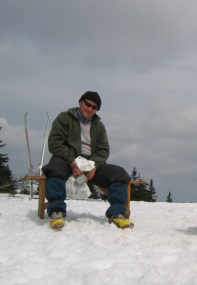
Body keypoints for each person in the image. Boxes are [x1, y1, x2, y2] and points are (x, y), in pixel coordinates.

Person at [42, 91, 133, 229]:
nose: (89, 109)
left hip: (90, 164)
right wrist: (72, 162)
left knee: (119, 173)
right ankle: (57, 210)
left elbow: (103, 149)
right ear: (80, 102)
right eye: (87, 104)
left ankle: (117, 213)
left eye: (94, 107)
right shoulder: (64, 118)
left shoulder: (98, 126)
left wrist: (94, 165)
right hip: (67, 161)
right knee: (55, 167)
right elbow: (55, 143)